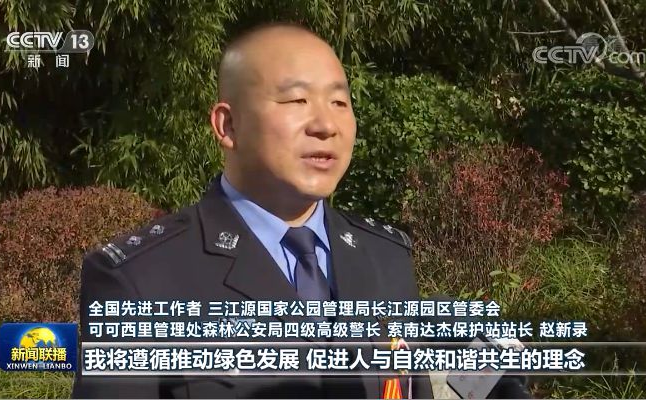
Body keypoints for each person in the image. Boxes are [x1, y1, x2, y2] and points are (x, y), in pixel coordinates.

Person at [71, 22, 528, 399]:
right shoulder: (140, 280)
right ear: (228, 125)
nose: (326, 124)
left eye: (340, 102)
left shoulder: (385, 256)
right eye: (296, 100)